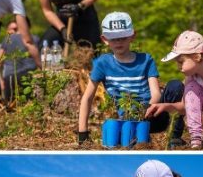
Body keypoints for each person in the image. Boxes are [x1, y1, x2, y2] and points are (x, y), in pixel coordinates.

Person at [78, 12, 185, 146]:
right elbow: (87, 97)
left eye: (123, 37)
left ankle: (174, 137)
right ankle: (139, 139)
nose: (118, 42)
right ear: (105, 39)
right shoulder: (102, 63)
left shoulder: (146, 60)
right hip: (128, 119)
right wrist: (82, 133)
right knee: (121, 137)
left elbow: (156, 93)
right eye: (113, 38)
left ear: (132, 36)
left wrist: (147, 109)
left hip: (154, 112)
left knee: (175, 86)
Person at [0, 20, 39, 102]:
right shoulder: (34, 38)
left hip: (10, 76)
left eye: (15, 29)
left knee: (11, 105)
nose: (13, 32)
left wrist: (0, 79)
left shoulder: (7, 40)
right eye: (11, 29)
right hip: (29, 74)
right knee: (30, 103)